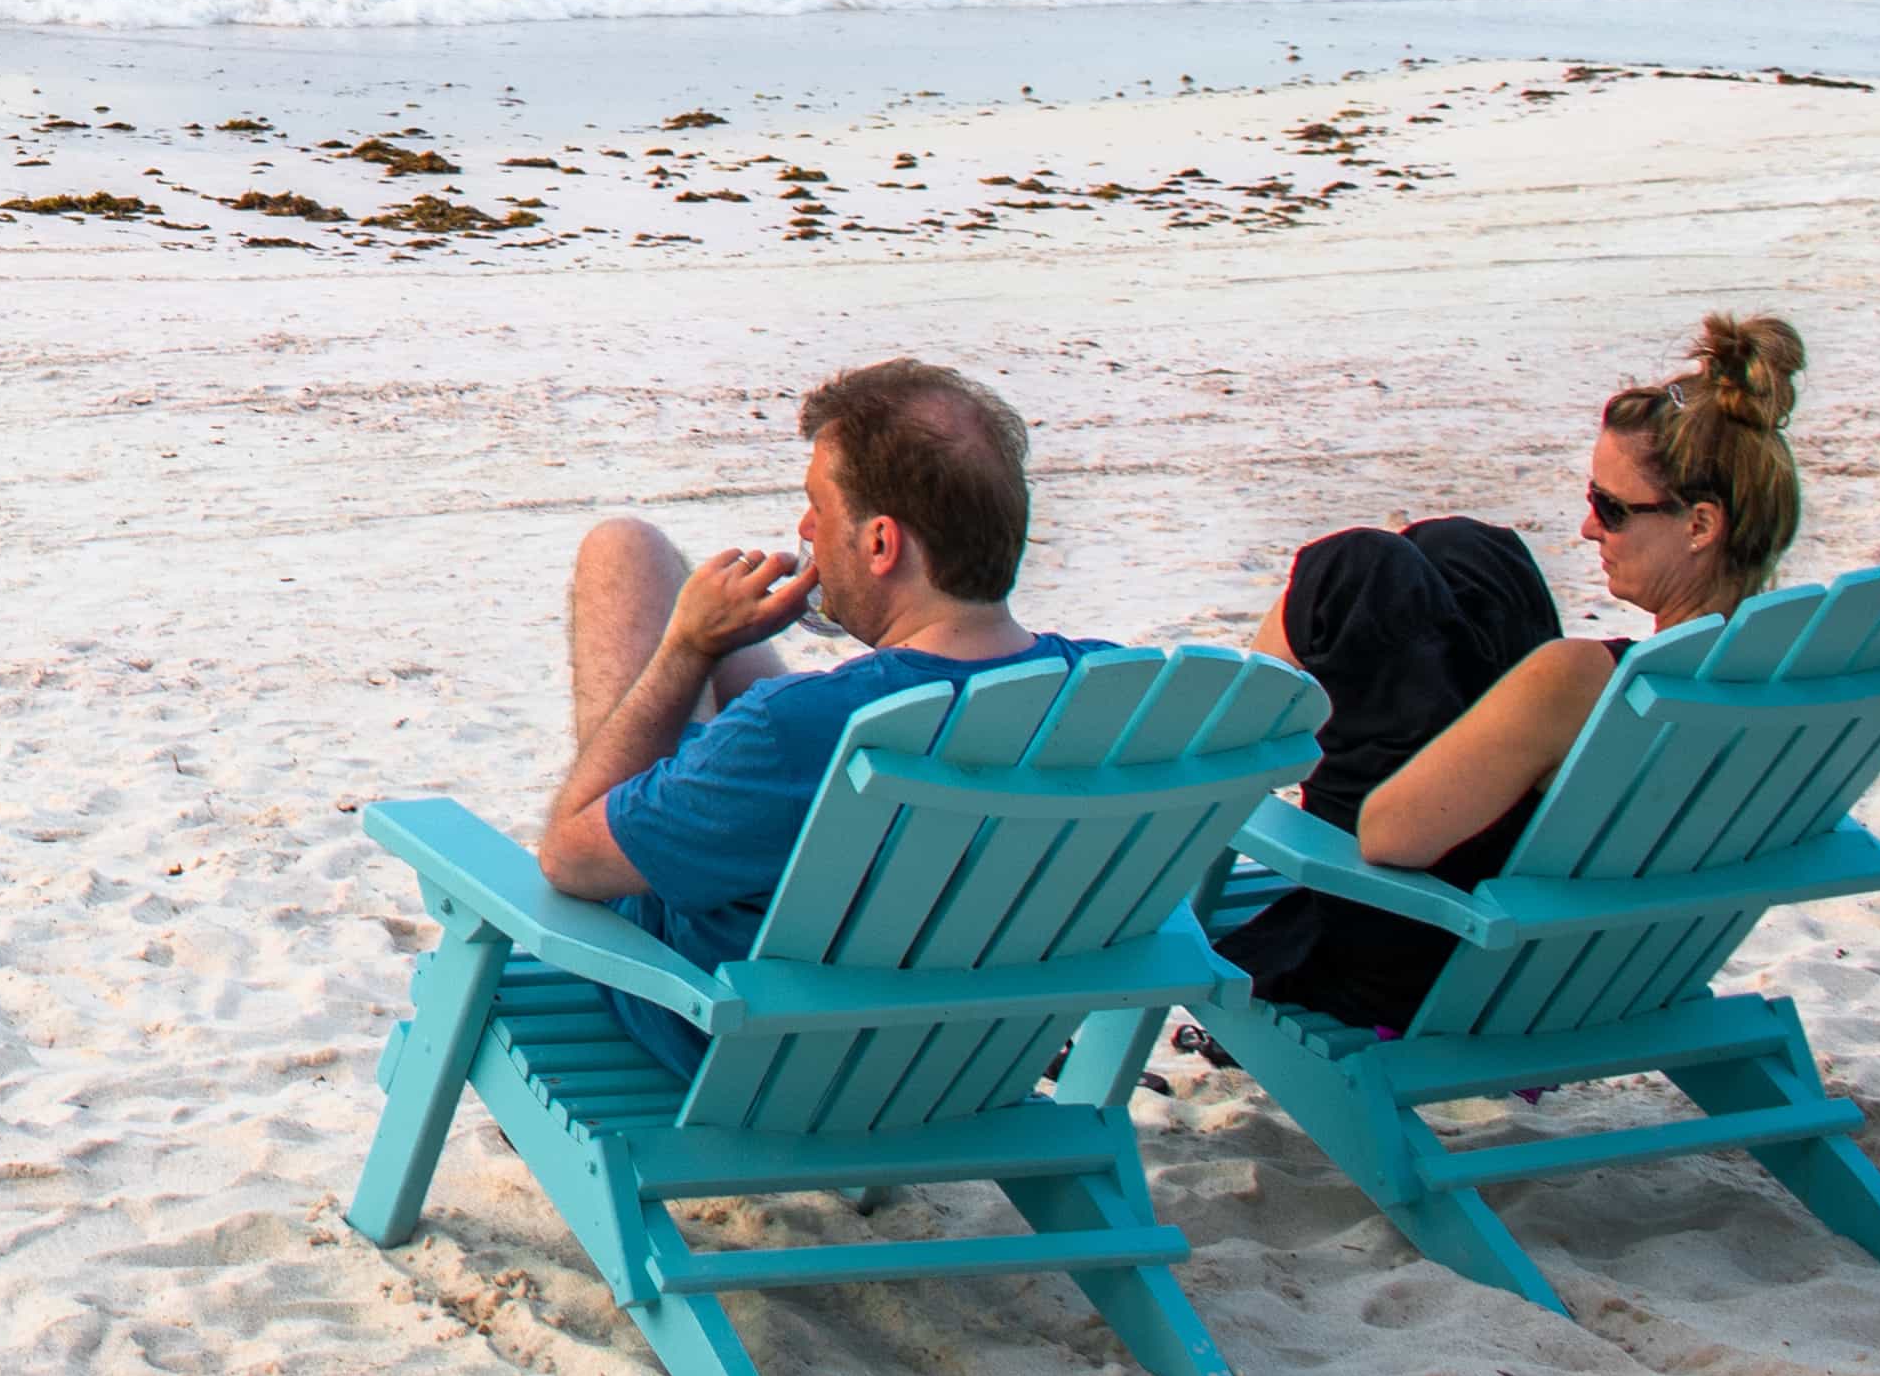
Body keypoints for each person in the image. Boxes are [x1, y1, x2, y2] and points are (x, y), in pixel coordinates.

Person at [1207, 313, 1812, 1034]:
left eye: (1610, 508)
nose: (1587, 528)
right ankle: (1242, 707)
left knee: (1351, 572)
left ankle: (1219, 743)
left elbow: (1388, 838)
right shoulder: (1804, 680)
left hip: (1444, 958)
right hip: (1611, 957)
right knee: (1469, 552)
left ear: (1699, 525)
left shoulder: (1578, 681)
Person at [536, 358, 1115, 1076]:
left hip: (760, 1054)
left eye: (819, 505)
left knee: (622, 548)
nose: (806, 526)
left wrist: (687, 649)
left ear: (879, 542)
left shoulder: (793, 730)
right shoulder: (1114, 694)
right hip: (973, 1053)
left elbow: (568, 855)